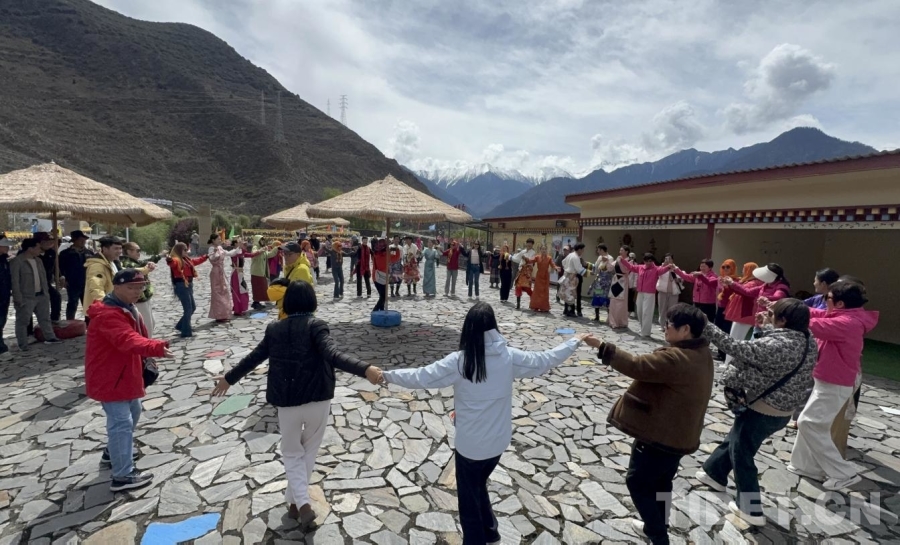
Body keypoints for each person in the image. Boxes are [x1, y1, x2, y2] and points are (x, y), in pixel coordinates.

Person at [381, 302, 590, 544]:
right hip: (497, 444)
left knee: (469, 503)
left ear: (467, 328)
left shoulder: (459, 361)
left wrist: (386, 375)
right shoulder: (508, 357)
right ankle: (490, 532)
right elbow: (546, 359)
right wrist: (574, 341)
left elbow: (421, 376)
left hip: (470, 447)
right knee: (478, 486)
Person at [213, 281, 382, 527]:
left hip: (287, 400)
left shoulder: (274, 329)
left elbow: (254, 358)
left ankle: (296, 502)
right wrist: (364, 369)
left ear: (288, 302)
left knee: (292, 452)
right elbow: (332, 355)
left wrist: (229, 379)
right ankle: (301, 504)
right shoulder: (317, 326)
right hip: (317, 398)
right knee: (309, 451)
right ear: (312, 301)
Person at [584, 304, 713, 544]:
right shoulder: (702, 352)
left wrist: (601, 346)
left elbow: (637, 366)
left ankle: (658, 535)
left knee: (638, 482)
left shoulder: (677, 358)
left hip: (660, 435)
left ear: (685, 329)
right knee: (662, 482)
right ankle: (659, 523)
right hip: (680, 435)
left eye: (669, 324)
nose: (664, 328)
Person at [696, 299, 817, 526]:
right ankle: (714, 473)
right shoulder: (808, 339)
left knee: (742, 452)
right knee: (738, 438)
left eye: (772, 313)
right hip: (783, 409)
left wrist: (705, 324)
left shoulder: (777, 346)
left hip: (764, 408)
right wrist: (766, 327)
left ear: (783, 320)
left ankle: (750, 509)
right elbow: (776, 347)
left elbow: (735, 347)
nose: (767, 315)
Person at [85, 269, 173, 491]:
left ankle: (112, 452)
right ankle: (122, 475)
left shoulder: (127, 307)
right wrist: (156, 347)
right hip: (111, 376)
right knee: (121, 422)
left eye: (140, 287)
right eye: (131, 287)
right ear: (116, 287)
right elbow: (128, 339)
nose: (137, 291)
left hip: (124, 373)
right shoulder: (108, 314)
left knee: (134, 411)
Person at [789, 280, 878, 491]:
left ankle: (844, 473)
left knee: (809, 423)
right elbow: (817, 314)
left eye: (827, 298)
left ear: (839, 303)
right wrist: (790, 307)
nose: (824, 301)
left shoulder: (848, 322)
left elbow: (815, 325)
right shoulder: (846, 315)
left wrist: (788, 315)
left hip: (835, 384)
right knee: (810, 423)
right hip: (828, 381)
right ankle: (805, 466)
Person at [721, 263, 790, 364]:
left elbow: (779, 297)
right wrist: (732, 283)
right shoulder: (765, 285)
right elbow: (747, 292)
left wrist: (767, 299)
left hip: (771, 323)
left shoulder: (781, 286)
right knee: (755, 347)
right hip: (759, 322)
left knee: (761, 349)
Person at [10, 238, 62, 350]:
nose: (40, 250)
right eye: (38, 247)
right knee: (23, 321)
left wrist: (46, 293)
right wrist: (18, 297)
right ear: (30, 248)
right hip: (26, 296)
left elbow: (43, 278)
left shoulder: (38, 260)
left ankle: (50, 337)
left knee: (45, 318)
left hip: (41, 295)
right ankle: (23, 344)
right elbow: (15, 282)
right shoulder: (17, 262)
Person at [619, 253, 670, 337]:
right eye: (646, 261)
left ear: (652, 261)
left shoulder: (656, 269)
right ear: (644, 261)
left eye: (650, 261)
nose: (648, 263)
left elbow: (664, 269)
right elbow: (631, 267)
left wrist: (669, 265)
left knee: (647, 312)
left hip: (650, 293)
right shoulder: (640, 267)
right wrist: (622, 260)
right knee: (639, 311)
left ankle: (646, 332)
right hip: (640, 292)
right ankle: (643, 327)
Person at [120, 242, 162, 336]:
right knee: (146, 327)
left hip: (144, 297)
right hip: (138, 299)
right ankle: (146, 344)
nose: (139, 253)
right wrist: (147, 268)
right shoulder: (127, 263)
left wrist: (150, 262)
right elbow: (135, 271)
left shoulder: (133, 261)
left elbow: (143, 263)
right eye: (137, 251)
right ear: (129, 251)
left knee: (151, 323)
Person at [167, 242, 208, 338]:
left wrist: (206, 257)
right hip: (182, 285)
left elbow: (196, 261)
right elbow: (173, 263)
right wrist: (169, 260)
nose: (187, 251)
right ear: (179, 251)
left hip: (189, 284)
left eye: (187, 249)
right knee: (188, 308)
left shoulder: (187, 260)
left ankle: (181, 325)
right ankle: (186, 332)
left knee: (192, 307)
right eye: (185, 250)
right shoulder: (177, 260)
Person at [722, 262, 762, 346]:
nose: (742, 271)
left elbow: (745, 292)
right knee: (734, 338)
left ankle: (732, 354)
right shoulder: (747, 281)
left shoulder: (753, 283)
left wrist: (732, 283)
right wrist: (729, 284)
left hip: (744, 314)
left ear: (749, 270)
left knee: (735, 340)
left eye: (744, 268)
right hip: (741, 313)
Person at [83, 236, 124, 316]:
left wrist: (145, 269)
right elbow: (96, 288)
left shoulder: (112, 262)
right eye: (116, 248)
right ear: (105, 249)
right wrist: (106, 305)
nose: (119, 251)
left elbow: (125, 272)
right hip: (101, 310)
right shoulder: (97, 266)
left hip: (112, 307)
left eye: (120, 248)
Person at [59, 230, 95, 321]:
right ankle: (70, 323)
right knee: (72, 303)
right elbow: (59, 268)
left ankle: (89, 324)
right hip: (72, 282)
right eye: (80, 239)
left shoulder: (89, 253)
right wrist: (62, 278)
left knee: (88, 305)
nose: (83, 241)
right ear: (74, 240)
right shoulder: (65, 254)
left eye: (84, 239)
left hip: (87, 282)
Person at [207, 236, 242, 322]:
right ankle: (218, 315)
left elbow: (229, 253)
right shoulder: (211, 248)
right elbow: (212, 258)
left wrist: (238, 248)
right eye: (218, 239)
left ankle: (224, 314)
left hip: (221, 272)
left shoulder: (220, 247)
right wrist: (215, 253)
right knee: (217, 293)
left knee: (224, 291)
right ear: (213, 240)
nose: (220, 240)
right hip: (215, 272)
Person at [35, 233, 64, 325]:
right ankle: (28, 329)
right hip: (31, 283)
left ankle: (54, 319)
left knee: (56, 296)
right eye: (46, 241)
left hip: (46, 282)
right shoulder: (30, 253)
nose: (49, 244)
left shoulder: (51, 253)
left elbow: (55, 266)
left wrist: (60, 276)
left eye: (50, 242)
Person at [714, 259, 740, 358]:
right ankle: (720, 352)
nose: (725, 269)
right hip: (721, 307)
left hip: (730, 308)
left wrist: (728, 285)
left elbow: (734, 294)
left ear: (733, 268)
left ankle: (725, 354)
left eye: (728, 267)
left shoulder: (736, 280)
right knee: (719, 328)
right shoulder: (720, 279)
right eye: (723, 267)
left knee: (726, 330)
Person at [250, 236, 279, 310]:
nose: (263, 242)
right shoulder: (255, 247)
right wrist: (261, 250)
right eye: (261, 240)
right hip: (256, 271)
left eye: (263, 240)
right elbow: (253, 254)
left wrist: (276, 248)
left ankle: (257, 302)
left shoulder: (262, 248)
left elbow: (269, 255)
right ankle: (256, 302)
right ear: (258, 240)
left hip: (261, 271)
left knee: (261, 287)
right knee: (256, 287)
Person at [655, 253, 683, 328]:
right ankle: (662, 325)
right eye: (666, 258)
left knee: (672, 309)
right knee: (662, 309)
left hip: (673, 292)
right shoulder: (661, 268)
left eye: (670, 258)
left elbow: (682, 277)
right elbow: (657, 273)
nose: (668, 260)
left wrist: (679, 279)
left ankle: (670, 325)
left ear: (672, 260)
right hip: (663, 291)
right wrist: (664, 266)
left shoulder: (676, 268)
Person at [589, 244, 615, 323]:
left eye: (598, 250)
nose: (597, 251)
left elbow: (611, 269)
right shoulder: (599, 257)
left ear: (602, 250)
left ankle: (609, 318)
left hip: (607, 281)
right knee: (597, 295)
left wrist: (607, 261)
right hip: (599, 281)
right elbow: (596, 267)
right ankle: (597, 316)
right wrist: (591, 270)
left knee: (606, 297)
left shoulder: (610, 258)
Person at [560, 243, 587, 317]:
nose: (583, 251)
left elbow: (563, 262)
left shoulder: (570, 255)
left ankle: (566, 310)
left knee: (567, 292)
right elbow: (579, 269)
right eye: (583, 250)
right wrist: (588, 273)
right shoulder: (576, 257)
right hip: (573, 276)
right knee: (571, 293)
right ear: (579, 249)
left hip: (568, 276)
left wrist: (567, 268)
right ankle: (570, 311)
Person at [608, 246, 631, 329]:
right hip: (615, 280)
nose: (620, 251)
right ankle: (612, 321)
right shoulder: (618, 258)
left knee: (621, 303)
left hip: (623, 281)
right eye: (620, 250)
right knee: (613, 301)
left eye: (622, 250)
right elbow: (610, 268)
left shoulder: (630, 261)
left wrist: (621, 261)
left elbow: (625, 270)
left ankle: (621, 321)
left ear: (626, 252)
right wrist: (607, 261)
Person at [527, 246, 554, 313]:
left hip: (546, 276)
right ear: (540, 250)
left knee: (544, 291)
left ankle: (544, 307)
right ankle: (536, 306)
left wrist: (556, 268)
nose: (544, 250)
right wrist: (526, 259)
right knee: (537, 291)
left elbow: (552, 264)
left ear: (546, 250)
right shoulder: (537, 257)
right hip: (539, 275)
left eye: (545, 249)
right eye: (542, 249)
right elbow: (531, 260)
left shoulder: (549, 258)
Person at [230, 239, 252, 316]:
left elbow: (249, 254)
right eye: (239, 242)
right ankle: (237, 310)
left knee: (243, 291)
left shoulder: (240, 252)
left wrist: (259, 251)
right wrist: (241, 247)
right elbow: (239, 254)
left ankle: (241, 308)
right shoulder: (234, 252)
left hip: (240, 274)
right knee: (237, 292)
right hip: (236, 274)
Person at [512, 238, 536, 310]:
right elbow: (516, 258)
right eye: (528, 243)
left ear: (532, 245)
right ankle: (518, 304)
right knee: (518, 286)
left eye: (530, 243)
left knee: (527, 288)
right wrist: (510, 257)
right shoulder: (523, 251)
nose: (529, 244)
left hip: (527, 272)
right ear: (526, 243)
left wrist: (525, 258)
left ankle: (533, 302)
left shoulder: (533, 253)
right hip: (521, 271)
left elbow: (530, 261)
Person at [0, 237, 13, 360]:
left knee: (2, 321)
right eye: (5, 245)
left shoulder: (4, 260)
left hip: (4, 295)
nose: (8, 247)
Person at [371, 238, 389, 312]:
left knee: (382, 296)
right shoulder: (385, 255)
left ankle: (381, 310)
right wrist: (395, 250)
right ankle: (375, 311)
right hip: (381, 277)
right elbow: (395, 257)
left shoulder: (375, 254)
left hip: (375, 277)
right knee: (383, 296)